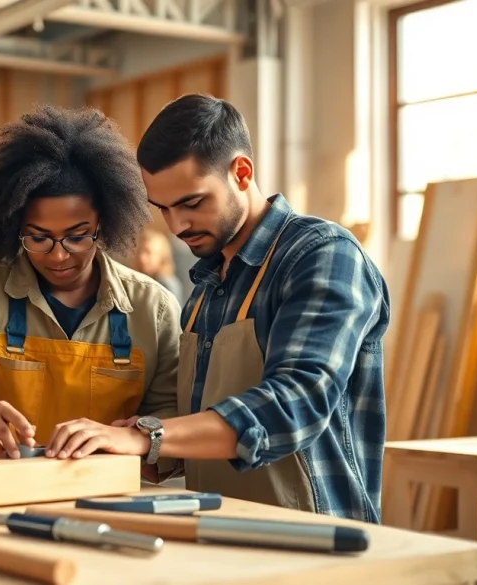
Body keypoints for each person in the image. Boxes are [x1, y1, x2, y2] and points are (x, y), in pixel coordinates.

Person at [94, 94, 390, 523]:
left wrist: (151, 436)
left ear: (241, 172)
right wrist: (137, 447)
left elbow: (296, 403)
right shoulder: (205, 286)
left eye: (192, 203)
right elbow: (201, 431)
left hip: (316, 542)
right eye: (164, 209)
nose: (176, 226)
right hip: (220, 535)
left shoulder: (322, 255)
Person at [0, 105, 182, 462]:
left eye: (77, 237)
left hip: (109, 501)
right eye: (38, 237)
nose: (58, 256)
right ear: (14, 227)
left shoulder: (153, 308)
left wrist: (139, 436)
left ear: (104, 224)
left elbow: (174, 421)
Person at [133, 228, 185, 301]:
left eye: (148, 253)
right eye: (139, 252)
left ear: (162, 256)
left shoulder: (166, 285)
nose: (142, 258)